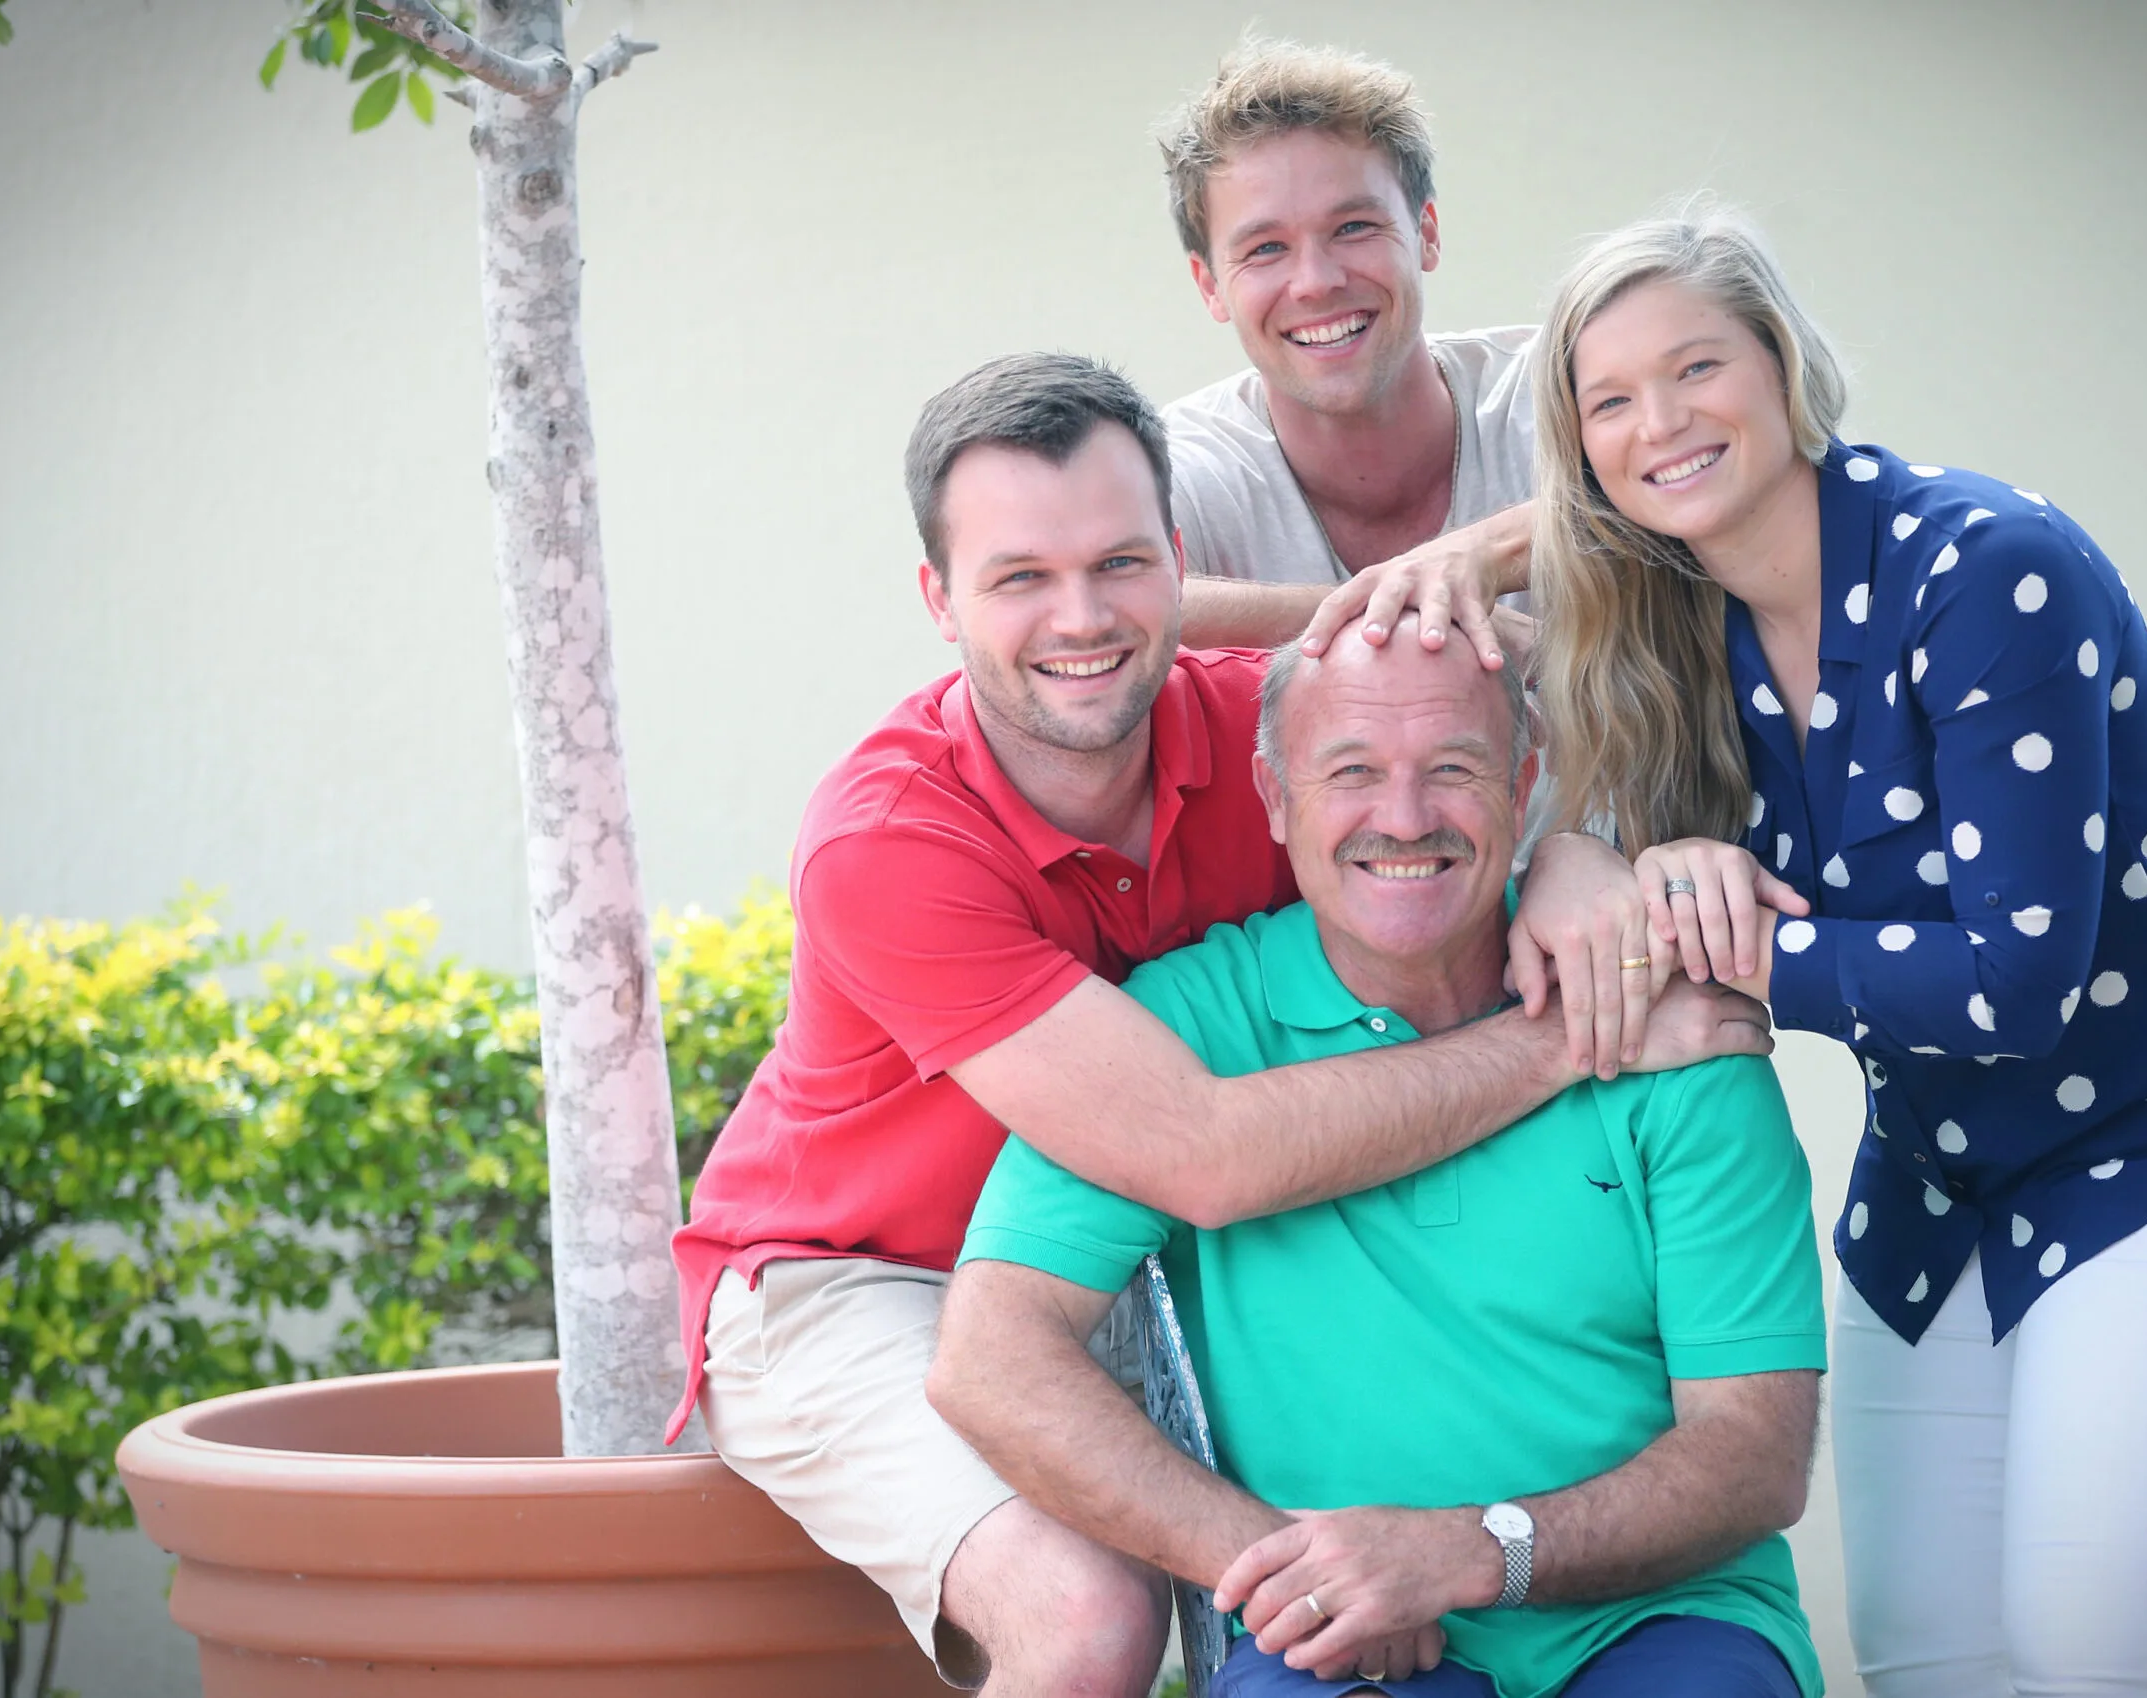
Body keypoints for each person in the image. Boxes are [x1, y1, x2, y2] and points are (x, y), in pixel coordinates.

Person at [668, 351, 1772, 1694]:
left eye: (1120, 563)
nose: (1081, 615)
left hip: (1112, 1250)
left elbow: (1478, 742)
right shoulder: (889, 839)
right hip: (856, 1272)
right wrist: (1567, 1035)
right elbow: (1203, 1155)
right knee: (1090, 1620)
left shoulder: (1274, 734)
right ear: (937, 599)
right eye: (1020, 576)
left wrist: (1579, 854)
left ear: (1178, 567)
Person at [1494, 204, 2147, 1697]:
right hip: (1944, 1173)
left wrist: (1753, 948)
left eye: (1697, 366)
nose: (1662, 422)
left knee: (2088, 1655)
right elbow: (1579, 846)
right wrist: (1622, 863)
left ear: (1782, 365)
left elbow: (2019, 981)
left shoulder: (1985, 569)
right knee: (1931, 1663)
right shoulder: (1672, 630)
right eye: (1610, 401)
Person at [931, 616, 1826, 1698]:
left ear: (1523, 779)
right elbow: (991, 1360)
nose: (1403, 819)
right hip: (1334, 1652)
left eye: (1452, 768)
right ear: (1273, 796)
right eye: (1351, 771)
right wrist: (1291, 1572)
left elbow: (1751, 1455)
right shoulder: (1179, 1032)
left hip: (1656, 1624)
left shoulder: (1669, 1026)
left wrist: (1475, 1550)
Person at [1155, 39, 1538, 674]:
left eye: (1354, 227)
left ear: (1427, 234)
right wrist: (1396, 604)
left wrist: (1480, 556)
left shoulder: (1560, 389)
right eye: (1266, 248)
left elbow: (1730, 471)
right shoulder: (1177, 467)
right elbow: (1095, 608)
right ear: (1209, 285)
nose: (1315, 281)